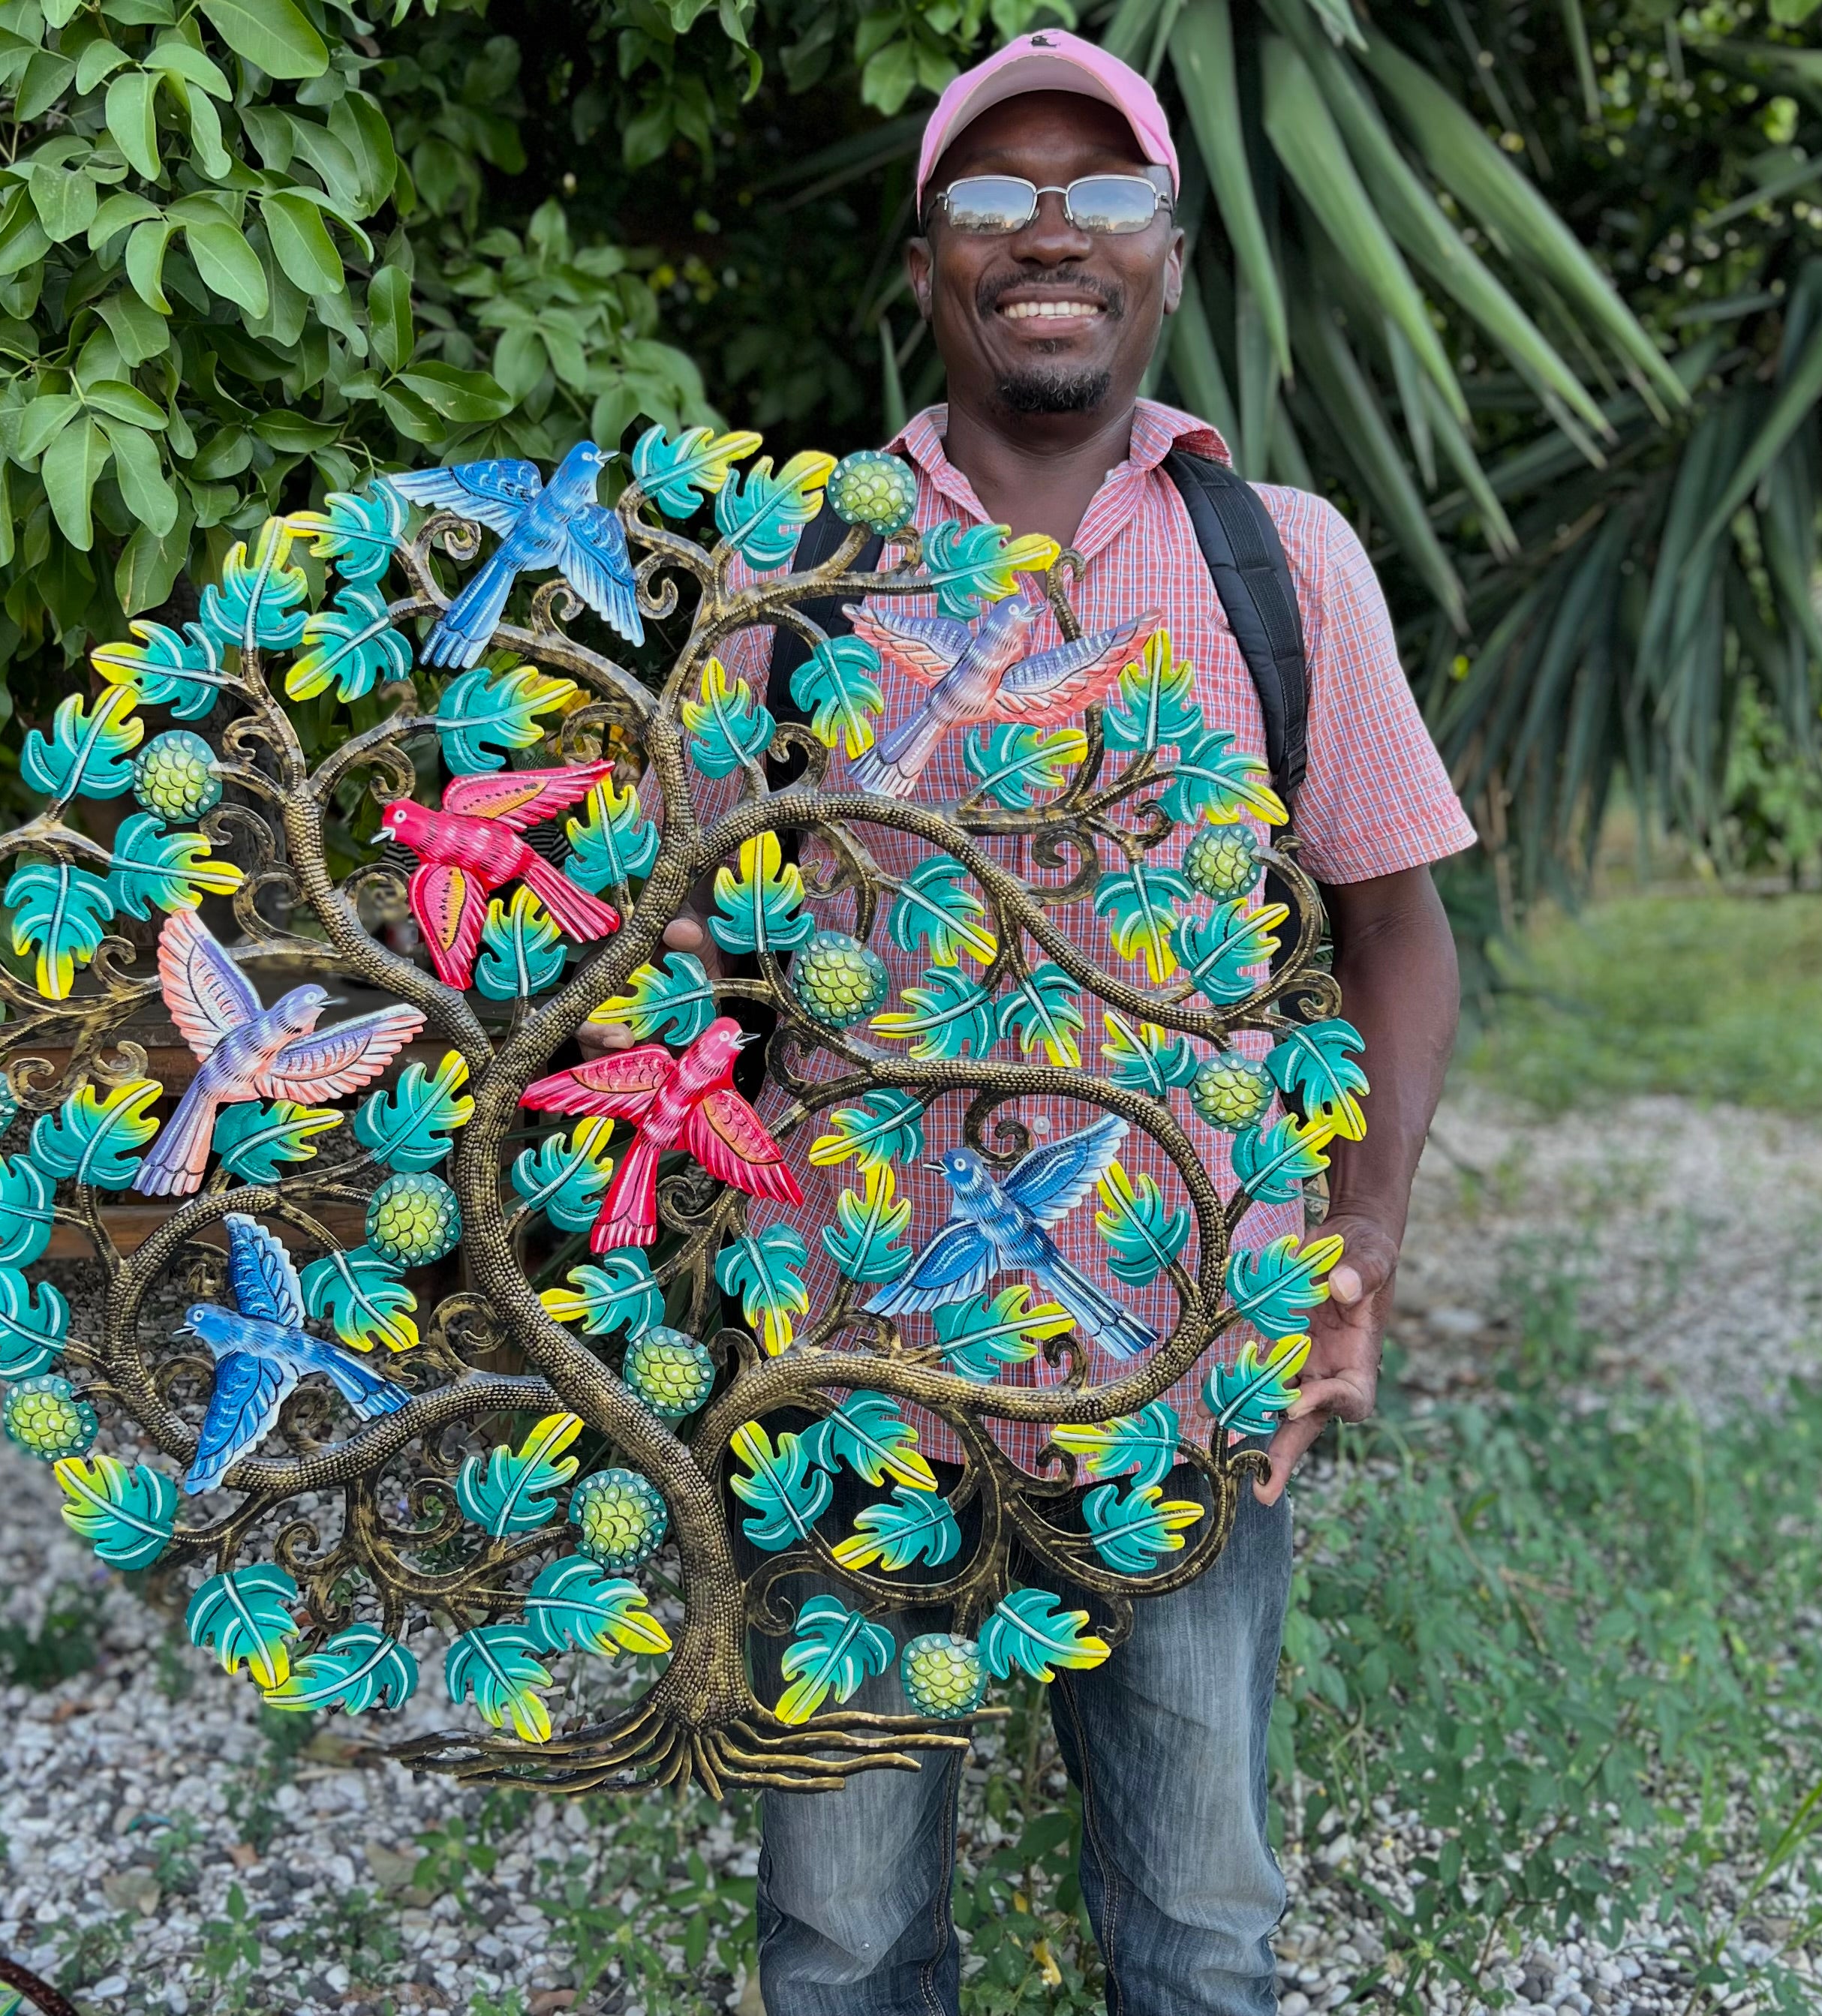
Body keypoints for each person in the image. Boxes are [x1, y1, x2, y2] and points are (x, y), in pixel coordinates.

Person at [581, 28, 1473, 2013]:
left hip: (1192, 1381)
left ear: (1170, 254)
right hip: (852, 1382)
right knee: (839, 1937)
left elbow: (1398, 931)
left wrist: (1364, 1258)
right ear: (926, 264)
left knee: (1200, 1929)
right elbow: (678, 965)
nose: (1046, 235)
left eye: (1103, 196)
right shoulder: (795, 570)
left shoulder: (1280, 561)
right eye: (994, 198)